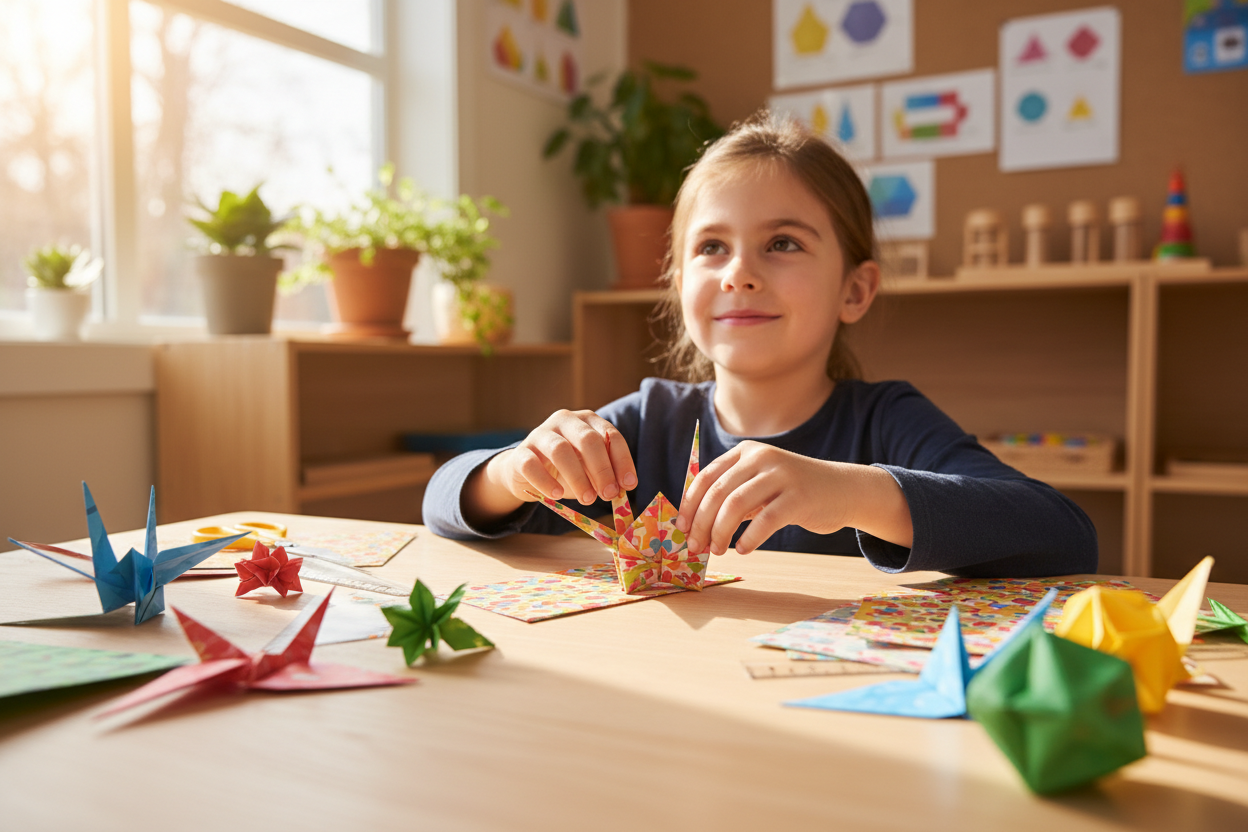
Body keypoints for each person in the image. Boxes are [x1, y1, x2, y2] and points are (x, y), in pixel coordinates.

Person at [424, 113, 1097, 577]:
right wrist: (515, 471)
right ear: (680, 283)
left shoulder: (886, 421)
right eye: (711, 247)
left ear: (855, 292)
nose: (739, 273)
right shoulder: (650, 421)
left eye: (783, 244)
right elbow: (443, 504)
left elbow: (1063, 535)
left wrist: (847, 494)